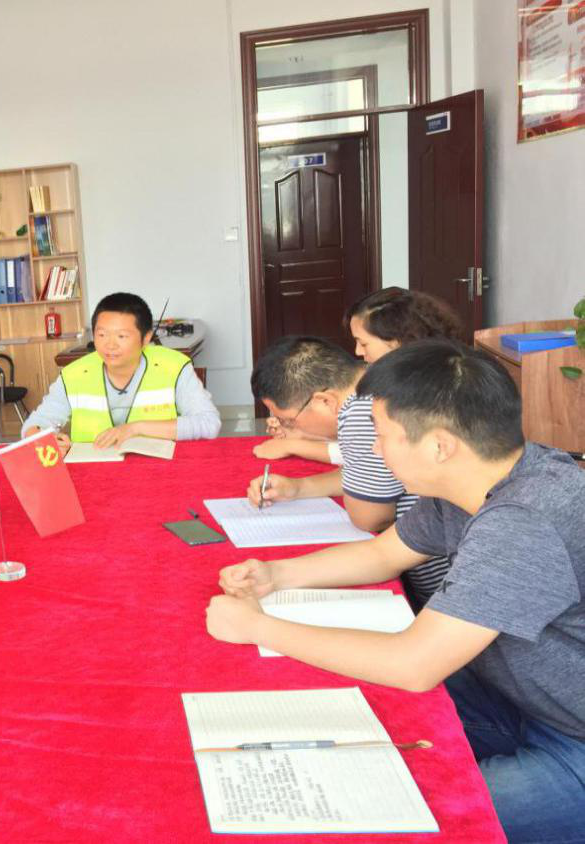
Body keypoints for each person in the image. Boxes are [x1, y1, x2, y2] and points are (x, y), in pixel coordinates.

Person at [207, 341, 585, 843]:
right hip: (516, 699)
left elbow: (414, 664)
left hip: (572, 738)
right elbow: (385, 553)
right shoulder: (480, 479)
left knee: (400, 812)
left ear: (440, 445)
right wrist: (276, 575)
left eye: (381, 435)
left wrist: (259, 627)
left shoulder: (524, 521)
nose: (373, 450)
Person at [244, 336, 449, 606]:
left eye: (288, 420)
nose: (291, 428)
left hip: (437, 588)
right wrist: (299, 488)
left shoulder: (361, 411)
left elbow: (370, 518)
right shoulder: (376, 379)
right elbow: (368, 474)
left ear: (325, 401)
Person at [254, 288, 461, 464]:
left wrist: (295, 444)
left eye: (363, 343)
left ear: (398, 342)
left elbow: (367, 457)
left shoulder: (395, 396)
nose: (357, 352)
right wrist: (303, 432)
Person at [21, 292, 220, 452]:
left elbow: (209, 423)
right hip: (93, 472)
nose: (110, 345)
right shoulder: (74, 374)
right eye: (101, 334)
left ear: (146, 338)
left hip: (158, 471)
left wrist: (135, 428)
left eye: (122, 336)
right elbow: (35, 424)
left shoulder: (174, 367)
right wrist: (42, 440)